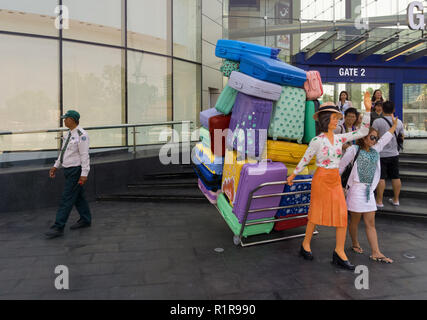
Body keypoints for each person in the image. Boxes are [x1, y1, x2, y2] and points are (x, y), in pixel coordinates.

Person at [287, 92, 372, 271]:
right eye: (334, 118)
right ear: (325, 119)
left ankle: (339, 252)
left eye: (337, 118)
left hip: (334, 179)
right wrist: (293, 175)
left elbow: (363, 131)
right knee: (315, 213)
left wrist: (368, 110)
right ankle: (305, 244)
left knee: (342, 214)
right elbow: (305, 158)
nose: (337, 121)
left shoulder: (341, 138)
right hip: (321, 179)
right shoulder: (317, 141)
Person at [340, 117, 399, 264]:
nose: (374, 140)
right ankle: (354, 243)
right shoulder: (353, 150)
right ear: (364, 137)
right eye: (372, 137)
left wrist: (394, 126)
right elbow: (340, 168)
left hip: (368, 192)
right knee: (354, 220)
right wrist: (338, 187)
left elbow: (386, 138)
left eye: (375, 138)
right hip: (355, 190)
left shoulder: (375, 150)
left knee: (370, 222)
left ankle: (376, 252)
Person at [45, 110, 92, 239]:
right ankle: (86, 219)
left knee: (67, 198)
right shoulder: (68, 134)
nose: (64, 121)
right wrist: (56, 166)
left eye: (66, 118)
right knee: (78, 197)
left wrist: (84, 174)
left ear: (73, 119)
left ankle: (58, 226)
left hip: (75, 171)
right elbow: (63, 152)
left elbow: (84, 156)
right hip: (67, 169)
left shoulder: (82, 135)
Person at [372, 101, 405, 207]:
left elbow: (373, 137)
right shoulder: (399, 122)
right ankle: (396, 200)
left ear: (382, 109)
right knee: (395, 177)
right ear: (393, 110)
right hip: (394, 154)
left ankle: (379, 201)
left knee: (381, 178)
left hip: (381, 154)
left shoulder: (377, 122)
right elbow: (402, 137)